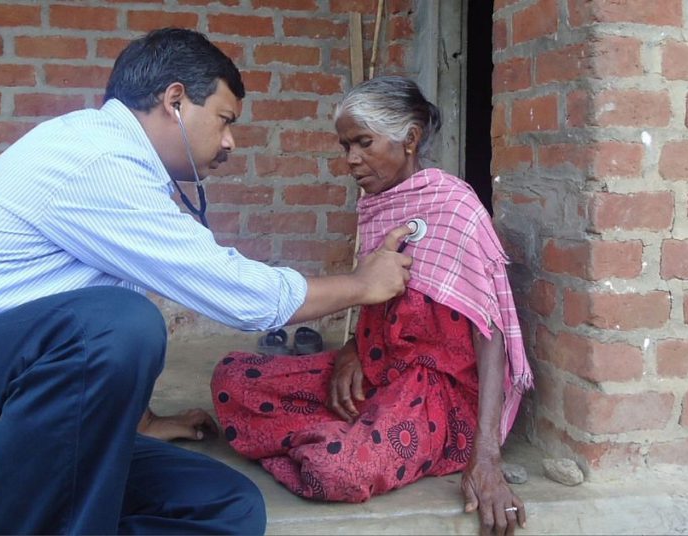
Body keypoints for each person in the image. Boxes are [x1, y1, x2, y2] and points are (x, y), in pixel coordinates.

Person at [0, 29, 413, 535]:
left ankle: (15, 516)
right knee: (116, 323)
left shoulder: (124, 177)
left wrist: (143, 421)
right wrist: (363, 285)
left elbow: (73, 310)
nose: (229, 141)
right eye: (226, 119)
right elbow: (244, 296)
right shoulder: (95, 158)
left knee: (228, 509)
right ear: (176, 100)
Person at [211, 75, 534, 536]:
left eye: (363, 143)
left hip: (434, 396)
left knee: (336, 472)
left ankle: (347, 439)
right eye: (345, 146)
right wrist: (352, 353)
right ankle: (349, 430)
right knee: (233, 381)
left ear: (410, 139)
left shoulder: (456, 208)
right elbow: (372, 297)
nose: (351, 160)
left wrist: (486, 456)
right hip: (380, 369)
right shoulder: (379, 204)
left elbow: (492, 332)